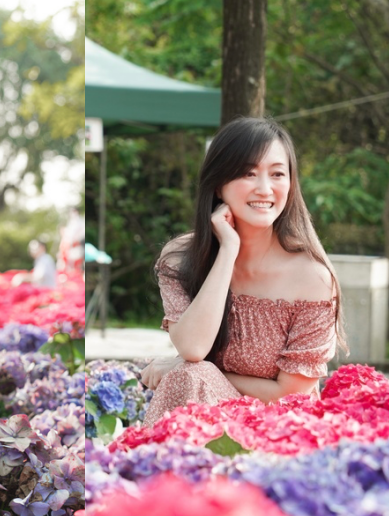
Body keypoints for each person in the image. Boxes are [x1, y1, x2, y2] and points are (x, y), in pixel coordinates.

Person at [139, 117, 346, 427]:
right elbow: (194, 348)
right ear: (219, 184)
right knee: (192, 375)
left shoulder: (312, 279)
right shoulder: (180, 259)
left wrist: (191, 369)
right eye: (249, 173)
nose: (265, 189)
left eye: (277, 174)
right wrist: (227, 251)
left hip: (279, 430)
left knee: (191, 374)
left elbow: (291, 396)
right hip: (204, 419)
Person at [58, 206, 84, 273]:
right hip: (69, 247)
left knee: (76, 266)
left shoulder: (80, 221)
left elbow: (81, 235)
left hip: (77, 246)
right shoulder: (71, 222)